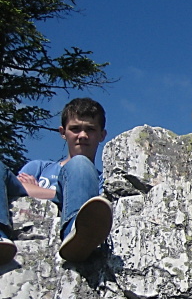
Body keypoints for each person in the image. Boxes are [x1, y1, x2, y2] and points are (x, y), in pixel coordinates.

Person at [0, 98, 113, 266]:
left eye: (90, 129)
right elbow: (11, 189)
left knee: (81, 163)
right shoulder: (39, 167)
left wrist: (36, 191)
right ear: (63, 132)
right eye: (75, 129)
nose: (82, 135)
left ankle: (76, 237)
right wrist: (68, 194)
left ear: (102, 135)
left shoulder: (103, 180)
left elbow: (94, 209)